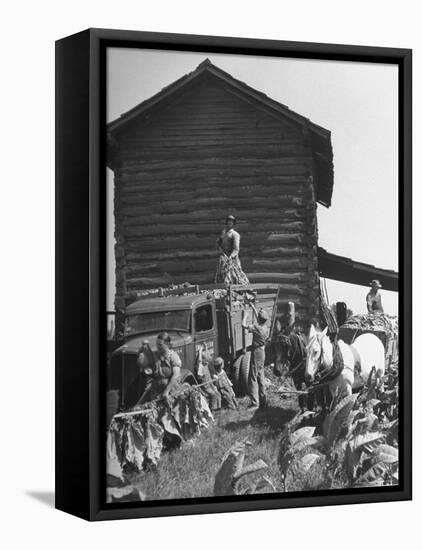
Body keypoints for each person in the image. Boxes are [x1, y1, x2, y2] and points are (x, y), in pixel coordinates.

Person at [137, 332, 182, 405]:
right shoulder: (155, 355)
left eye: (160, 345)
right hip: (156, 392)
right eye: (157, 344)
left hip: (171, 393)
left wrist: (166, 391)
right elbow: (143, 362)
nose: (158, 346)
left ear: (167, 344)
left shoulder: (173, 357)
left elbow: (176, 375)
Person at [242, 308, 270, 409]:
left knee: (253, 377)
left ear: (259, 318)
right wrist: (253, 307)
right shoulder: (265, 327)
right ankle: (263, 401)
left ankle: (255, 403)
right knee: (261, 376)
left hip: (256, 352)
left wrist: (245, 315)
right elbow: (259, 320)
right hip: (262, 352)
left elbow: (243, 325)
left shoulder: (256, 328)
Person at [214, 214, 249, 285]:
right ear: (226, 222)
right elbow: (217, 245)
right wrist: (220, 239)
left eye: (231, 221)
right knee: (221, 278)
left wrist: (230, 257)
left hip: (232, 260)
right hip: (223, 260)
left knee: (235, 278)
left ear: (233, 223)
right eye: (228, 221)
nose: (230, 223)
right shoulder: (223, 234)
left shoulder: (235, 234)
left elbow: (236, 249)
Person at [196, 344, 221, 412]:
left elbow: (208, 358)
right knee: (213, 395)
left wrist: (206, 348)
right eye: (206, 361)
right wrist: (200, 351)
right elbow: (199, 361)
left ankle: (218, 408)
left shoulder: (206, 364)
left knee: (217, 392)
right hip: (205, 386)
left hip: (210, 383)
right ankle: (212, 409)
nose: (207, 362)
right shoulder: (201, 367)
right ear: (203, 360)